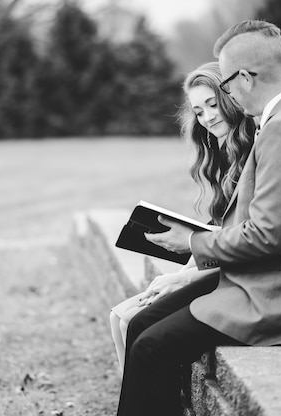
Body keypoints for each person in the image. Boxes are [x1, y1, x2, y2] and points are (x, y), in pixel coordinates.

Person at [116, 20, 281, 416]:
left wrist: (190, 242)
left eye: (224, 85)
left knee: (152, 347)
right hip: (267, 280)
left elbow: (266, 237)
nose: (226, 95)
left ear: (245, 77)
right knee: (142, 326)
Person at [108, 61, 255, 373]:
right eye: (199, 111)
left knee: (133, 322)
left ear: (230, 98)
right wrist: (178, 273)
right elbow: (217, 228)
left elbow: (244, 241)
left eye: (213, 104)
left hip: (238, 274)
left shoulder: (256, 154)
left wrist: (186, 275)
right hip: (215, 263)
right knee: (118, 317)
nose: (208, 117)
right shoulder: (222, 155)